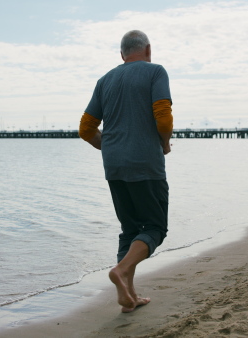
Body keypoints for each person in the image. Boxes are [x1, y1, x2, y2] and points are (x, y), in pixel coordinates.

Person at [79, 30, 173, 313]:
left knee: (129, 229)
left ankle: (129, 297)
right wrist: (165, 144)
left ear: (122, 55)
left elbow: (85, 129)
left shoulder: (105, 80)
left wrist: (108, 147)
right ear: (148, 49)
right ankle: (120, 272)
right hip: (145, 164)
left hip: (114, 166)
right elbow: (163, 114)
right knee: (155, 228)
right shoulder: (155, 72)